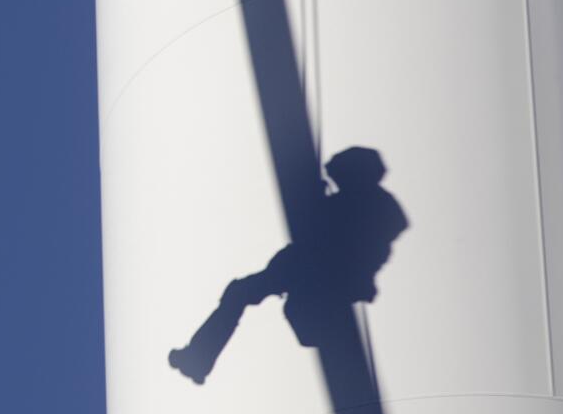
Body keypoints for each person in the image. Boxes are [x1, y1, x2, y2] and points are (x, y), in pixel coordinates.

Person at [168, 147, 409, 384]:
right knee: (244, 295)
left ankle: (199, 358)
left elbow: (373, 242)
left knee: (276, 308)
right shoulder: (355, 203)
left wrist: (362, 278)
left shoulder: (371, 205)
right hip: (304, 270)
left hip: (319, 274)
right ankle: (198, 358)